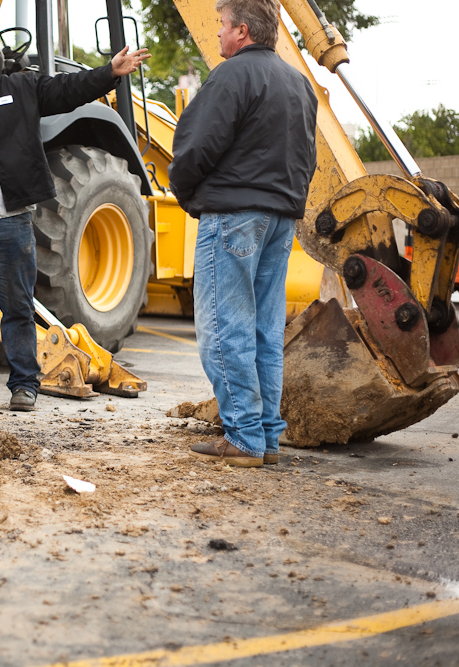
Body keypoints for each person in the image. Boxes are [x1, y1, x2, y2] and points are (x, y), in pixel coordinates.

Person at [0, 28, 149, 411]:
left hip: (10, 221)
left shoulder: (21, 90)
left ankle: (24, 385)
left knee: (18, 307)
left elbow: (69, 89)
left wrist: (110, 73)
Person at [167, 0, 318, 467]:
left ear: (244, 31)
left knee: (224, 327)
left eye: (222, 24)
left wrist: (189, 194)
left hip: (233, 214)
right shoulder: (299, 84)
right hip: (280, 218)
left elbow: (196, 145)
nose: (217, 34)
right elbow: (308, 158)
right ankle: (267, 437)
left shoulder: (232, 75)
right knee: (264, 331)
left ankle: (244, 437)